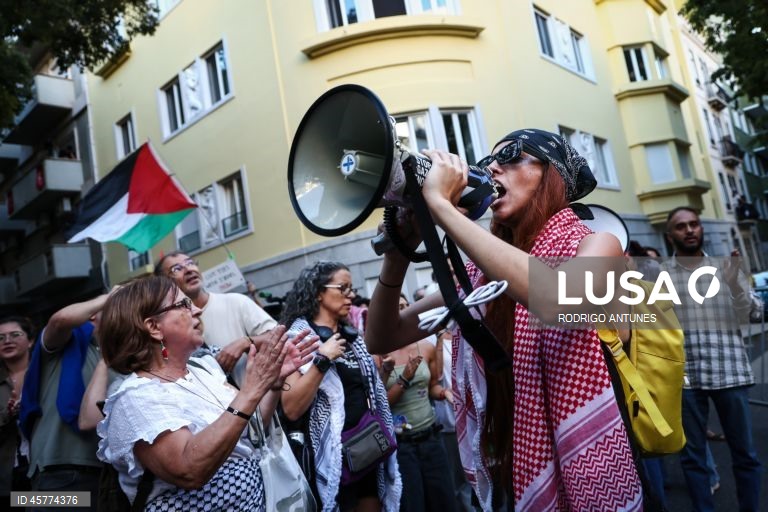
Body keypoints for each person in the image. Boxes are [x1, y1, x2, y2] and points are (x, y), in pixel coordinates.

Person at [366, 129, 642, 510]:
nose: (493, 167)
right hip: (514, 467)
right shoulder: (484, 279)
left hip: (589, 459)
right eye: (487, 162)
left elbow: (557, 297)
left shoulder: (599, 244)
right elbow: (382, 336)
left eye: (512, 156)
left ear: (552, 173)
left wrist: (440, 208)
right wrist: (398, 253)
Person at [96, 275, 314, 510]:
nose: (198, 310)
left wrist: (272, 384)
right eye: (184, 305)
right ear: (154, 327)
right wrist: (252, 388)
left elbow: (251, 426)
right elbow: (189, 470)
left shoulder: (204, 369)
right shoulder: (134, 398)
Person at [661, 207, 762, 511]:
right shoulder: (660, 275)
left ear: (701, 229)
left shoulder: (725, 269)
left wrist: (734, 284)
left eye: (694, 224)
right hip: (687, 380)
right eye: (681, 226)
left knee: (745, 454)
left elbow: (755, 313)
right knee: (692, 459)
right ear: (670, 235)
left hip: (729, 373)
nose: (689, 230)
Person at [280, 261, 401, 511]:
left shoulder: (354, 338)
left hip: (366, 449)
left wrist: (383, 372)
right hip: (329, 456)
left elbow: (366, 393)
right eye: (343, 288)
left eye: (352, 288)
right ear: (318, 292)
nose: (351, 295)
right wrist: (322, 360)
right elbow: (291, 408)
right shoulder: (298, 339)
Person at [19, 292, 114, 512]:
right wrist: (114, 294)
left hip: (104, 476)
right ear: (92, 317)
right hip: (56, 477)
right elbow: (60, 320)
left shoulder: (124, 354)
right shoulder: (69, 341)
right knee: (23, 501)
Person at [375, 295, 456, 512]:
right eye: (395, 308)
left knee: (445, 502)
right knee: (414, 505)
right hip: (401, 446)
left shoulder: (425, 347)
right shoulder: (378, 353)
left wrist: (445, 394)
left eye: (405, 307)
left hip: (431, 437)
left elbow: (432, 387)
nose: (401, 313)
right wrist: (404, 378)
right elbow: (379, 403)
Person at [155, 252, 277, 386]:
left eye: (190, 263)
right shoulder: (169, 328)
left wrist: (245, 342)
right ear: (164, 283)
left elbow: (280, 336)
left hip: (261, 403)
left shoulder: (237, 301)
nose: (189, 270)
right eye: (177, 269)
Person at [0, 317, 35, 500]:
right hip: (7, 476)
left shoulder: (44, 374)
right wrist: (8, 415)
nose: (7, 341)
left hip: (44, 470)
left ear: (30, 341)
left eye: (15, 335)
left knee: (74, 500)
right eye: (0, 338)